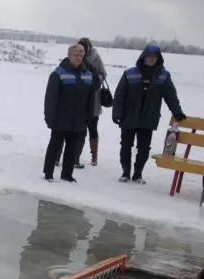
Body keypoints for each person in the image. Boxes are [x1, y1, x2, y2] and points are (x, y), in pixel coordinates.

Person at [113, 45, 186, 184]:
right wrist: (117, 113)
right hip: (129, 116)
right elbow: (120, 95)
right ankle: (125, 172)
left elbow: (170, 95)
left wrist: (177, 111)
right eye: (149, 57)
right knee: (126, 145)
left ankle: (138, 174)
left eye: (155, 57)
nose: (152, 59)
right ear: (143, 57)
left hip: (149, 118)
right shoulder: (130, 73)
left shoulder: (163, 76)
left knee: (144, 148)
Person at [42, 44, 96, 183]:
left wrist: (89, 116)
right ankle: (48, 173)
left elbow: (91, 99)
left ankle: (67, 174)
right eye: (76, 55)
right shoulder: (59, 73)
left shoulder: (88, 75)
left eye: (81, 56)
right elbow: (51, 98)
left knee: (72, 148)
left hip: (78, 119)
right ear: (70, 56)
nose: (78, 58)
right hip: (60, 118)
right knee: (55, 145)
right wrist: (50, 117)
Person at [74, 38, 107, 168]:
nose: (81, 51)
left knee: (93, 127)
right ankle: (75, 156)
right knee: (79, 129)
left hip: (93, 98)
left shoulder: (95, 57)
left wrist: (93, 80)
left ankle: (94, 155)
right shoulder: (76, 56)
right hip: (80, 98)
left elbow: (103, 73)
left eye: (84, 48)